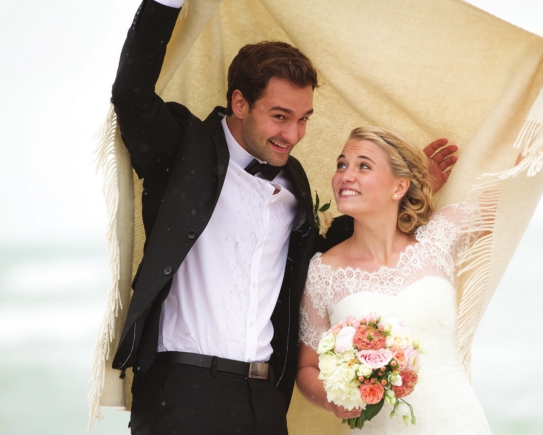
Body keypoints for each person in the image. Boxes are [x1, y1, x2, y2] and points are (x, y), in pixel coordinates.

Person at [108, 1, 458, 433]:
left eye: (303, 119)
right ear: (240, 103)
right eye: (280, 117)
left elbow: (324, 262)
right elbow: (131, 94)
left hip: (265, 398)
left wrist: (398, 191)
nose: (293, 135)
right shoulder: (181, 151)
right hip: (180, 390)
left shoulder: (296, 183)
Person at [296, 126, 495, 434]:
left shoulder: (440, 239)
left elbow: (515, 185)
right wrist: (331, 398)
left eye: (363, 166)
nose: (345, 175)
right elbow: (307, 367)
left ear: (399, 186)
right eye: (342, 165)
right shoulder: (322, 272)